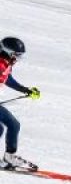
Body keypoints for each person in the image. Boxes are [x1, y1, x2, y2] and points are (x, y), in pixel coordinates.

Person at [0, 37, 42, 171]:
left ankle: (8, 158)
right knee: (7, 127)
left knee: (9, 126)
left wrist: (25, 90)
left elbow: (7, 79)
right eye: (16, 55)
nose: (17, 59)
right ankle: (8, 158)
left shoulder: (5, 63)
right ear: (8, 52)